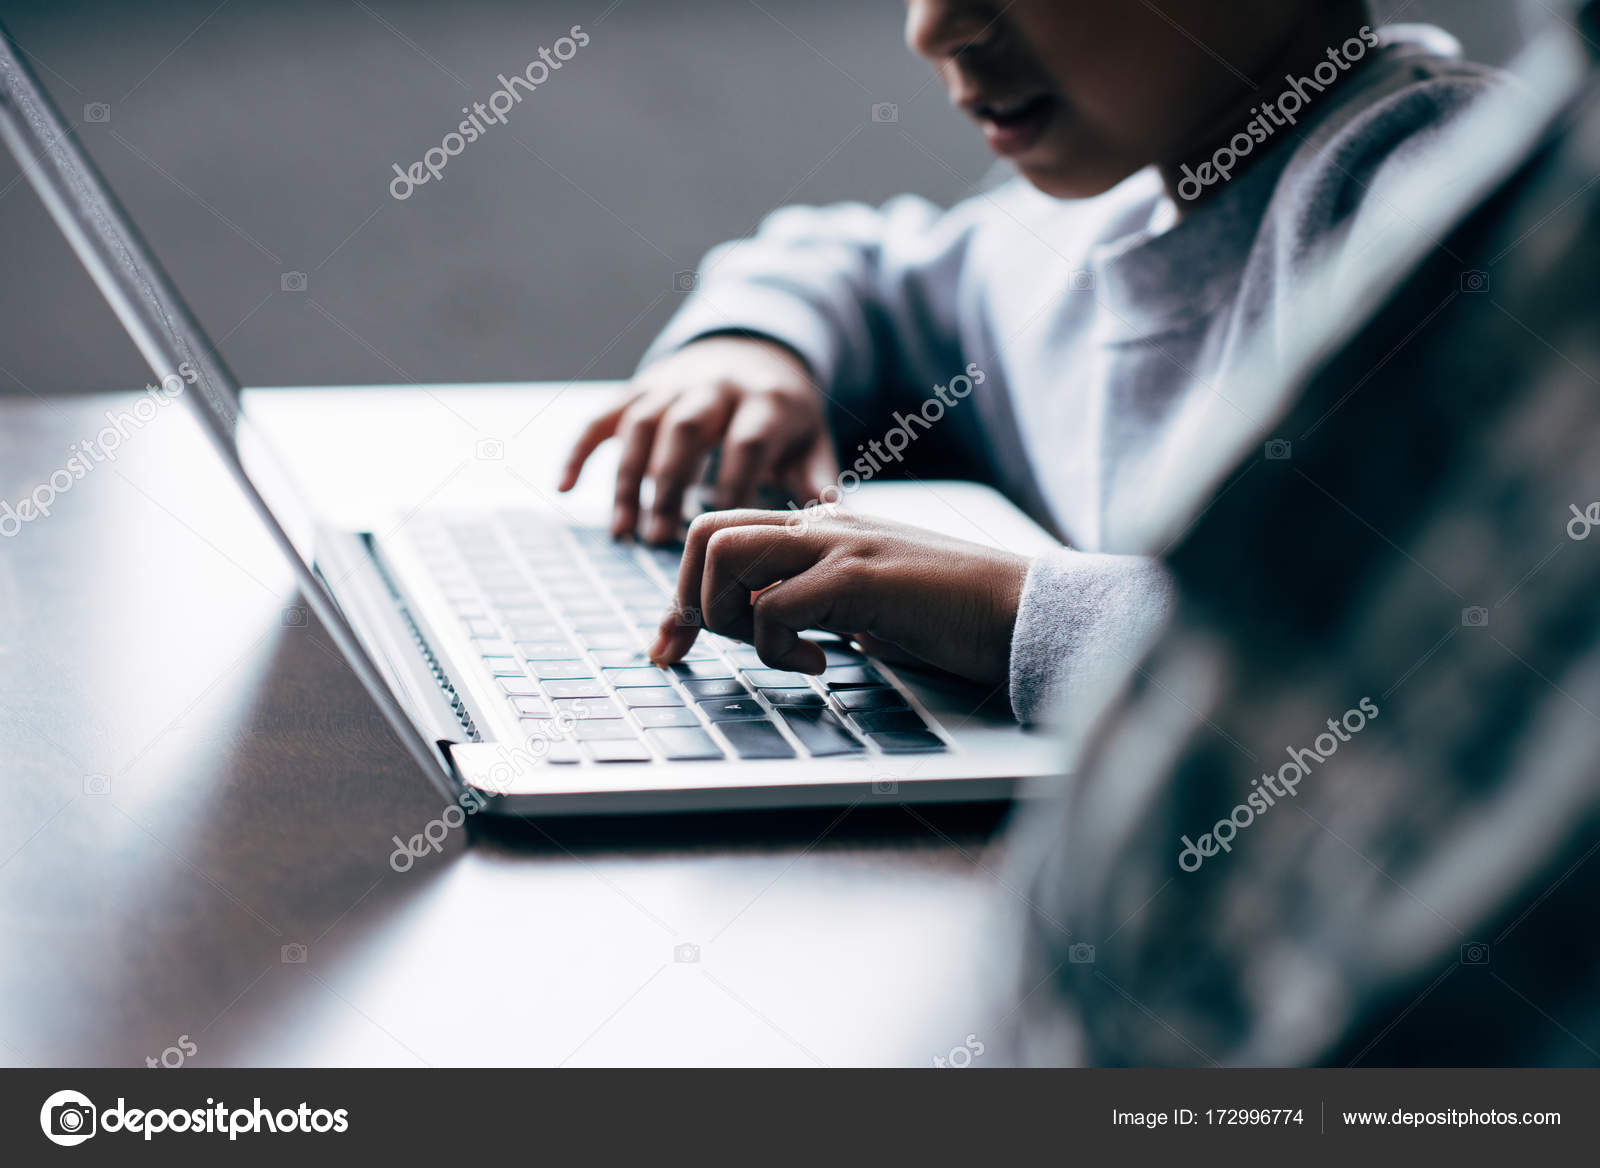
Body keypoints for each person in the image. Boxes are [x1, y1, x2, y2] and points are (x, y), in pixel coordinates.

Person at [560, 0, 1498, 727]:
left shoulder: (1443, 197)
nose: (937, 28)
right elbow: (861, 270)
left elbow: (1419, 654)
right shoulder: (1104, 210)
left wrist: (1005, 612)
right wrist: (751, 347)